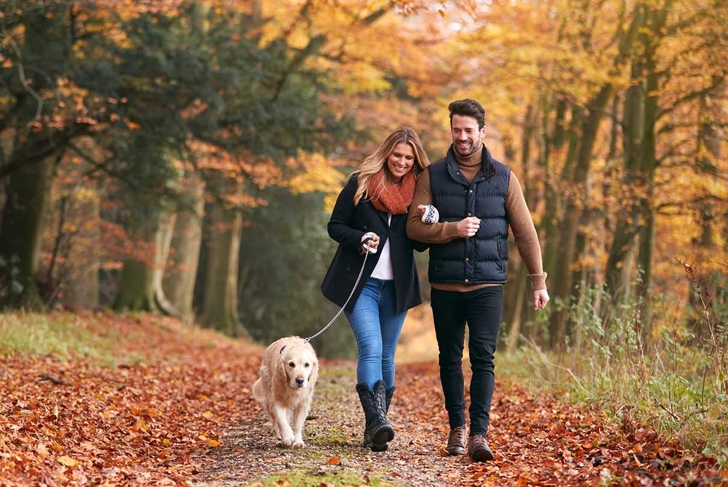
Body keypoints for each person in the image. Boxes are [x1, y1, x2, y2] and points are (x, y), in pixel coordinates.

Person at [406, 99, 549, 462]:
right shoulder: (433, 176)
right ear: (451, 130)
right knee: (450, 359)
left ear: (482, 132)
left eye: (469, 131)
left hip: (488, 286)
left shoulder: (504, 177)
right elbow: (413, 227)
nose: (463, 137)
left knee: (484, 359)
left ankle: (479, 434)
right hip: (446, 286)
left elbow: (526, 232)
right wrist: (451, 229)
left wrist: (538, 281)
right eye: (457, 130)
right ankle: (457, 428)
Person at [321, 126, 431, 452]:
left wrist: (426, 220)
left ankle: (376, 427)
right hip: (361, 284)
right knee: (370, 346)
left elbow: (421, 246)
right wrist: (359, 238)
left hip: (396, 288)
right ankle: (377, 422)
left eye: (408, 158)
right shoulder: (361, 182)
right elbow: (335, 225)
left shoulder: (419, 193)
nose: (401, 162)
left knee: (387, 354)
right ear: (387, 153)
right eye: (397, 155)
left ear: (415, 161)